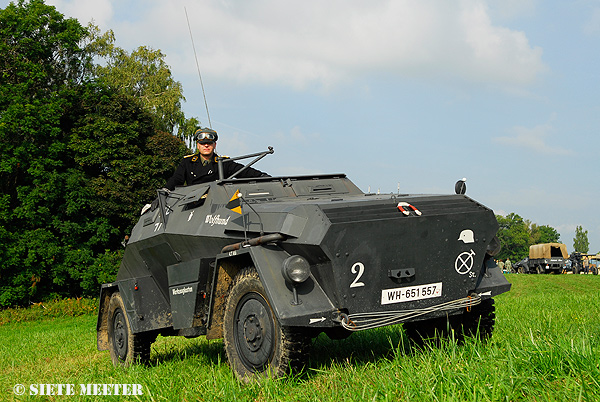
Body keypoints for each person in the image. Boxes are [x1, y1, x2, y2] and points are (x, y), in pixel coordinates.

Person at [164, 128, 269, 191]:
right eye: (202, 143)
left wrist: (264, 177)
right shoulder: (188, 162)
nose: (206, 146)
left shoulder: (223, 163)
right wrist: (165, 191)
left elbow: (243, 171)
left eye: (209, 143)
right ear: (198, 145)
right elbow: (176, 179)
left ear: (214, 145)